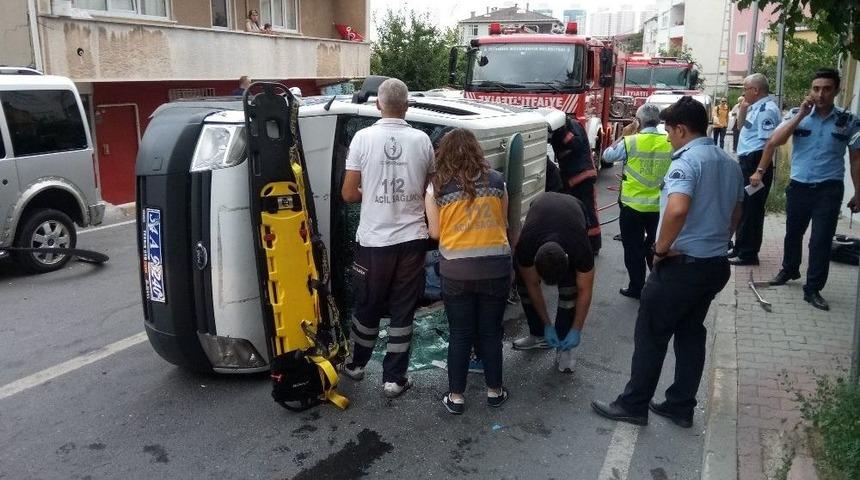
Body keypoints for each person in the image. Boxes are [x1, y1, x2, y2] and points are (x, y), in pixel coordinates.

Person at [591, 96, 744, 427]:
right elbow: (736, 210)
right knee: (691, 333)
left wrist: (660, 250)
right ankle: (680, 405)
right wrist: (721, 239)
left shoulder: (686, 162)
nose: (669, 137)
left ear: (682, 129)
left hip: (681, 266)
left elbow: (676, 209)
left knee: (651, 334)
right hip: (714, 264)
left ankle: (633, 405)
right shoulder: (729, 162)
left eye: (671, 131)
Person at [340, 78, 435, 398]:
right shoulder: (422, 140)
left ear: (378, 104)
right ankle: (394, 379)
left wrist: (371, 194)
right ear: (407, 105)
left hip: (373, 242)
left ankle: (356, 364)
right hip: (412, 239)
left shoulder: (362, 138)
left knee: (368, 303)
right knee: (403, 308)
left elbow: (348, 194)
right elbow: (428, 189)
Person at [756, 68, 860, 311]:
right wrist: (801, 114)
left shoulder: (849, 120)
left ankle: (813, 288)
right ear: (810, 90)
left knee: (820, 240)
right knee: (793, 234)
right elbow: (775, 141)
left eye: (827, 89)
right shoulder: (796, 114)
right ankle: (789, 270)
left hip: (829, 188)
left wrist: (858, 192)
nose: (820, 94)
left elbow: (856, 159)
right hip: (799, 186)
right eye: (816, 89)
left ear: (836, 90)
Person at [424, 128, 512, 414]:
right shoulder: (497, 181)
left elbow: (435, 233)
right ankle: (495, 391)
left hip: (457, 273)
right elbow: (504, 223)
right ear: (477, 150)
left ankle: (456, 396)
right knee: (490, 332)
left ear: (444, 153)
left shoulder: (436, 187)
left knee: (460, 334)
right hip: (495, 269)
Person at [511, 192, 595, 374]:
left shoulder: (580, 247)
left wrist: (576, 329)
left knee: (569, 290)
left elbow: (585, 290)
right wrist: (547, 324)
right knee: (524, 284)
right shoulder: (526, 247)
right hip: (541, 205)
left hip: (575, 208)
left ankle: (564, 345)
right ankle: (538, 334)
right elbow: (532, 285)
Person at [602, 104, 673, 299]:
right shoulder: (669, 141)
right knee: (656, 246)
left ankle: (636, 287)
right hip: (659, 207)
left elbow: (607, 156)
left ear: (638, 121)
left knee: (633, 249)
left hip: (632, 207)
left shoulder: (630, 141)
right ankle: (658, 285)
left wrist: (624, 135)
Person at [729, 73, 781, 266]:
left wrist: (759, 171)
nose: (743, 93)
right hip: (747, 161)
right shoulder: (754, 107)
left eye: (746, 89)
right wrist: (743, 109)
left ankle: (748, 253)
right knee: (744, 207)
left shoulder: (767, 110)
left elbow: (769, 143)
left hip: (756, 162)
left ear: (756, 90)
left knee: (752, 210)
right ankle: (739, 247)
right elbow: (741, 126)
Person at [549, 117, 602, 254]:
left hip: (583, 176)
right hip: (572, 179)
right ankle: (580, 242)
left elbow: (575, 143)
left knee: (588, 211)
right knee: (575, 211)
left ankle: (593, 244)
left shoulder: (572, 126)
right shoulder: (562, 130)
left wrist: (560, 133)